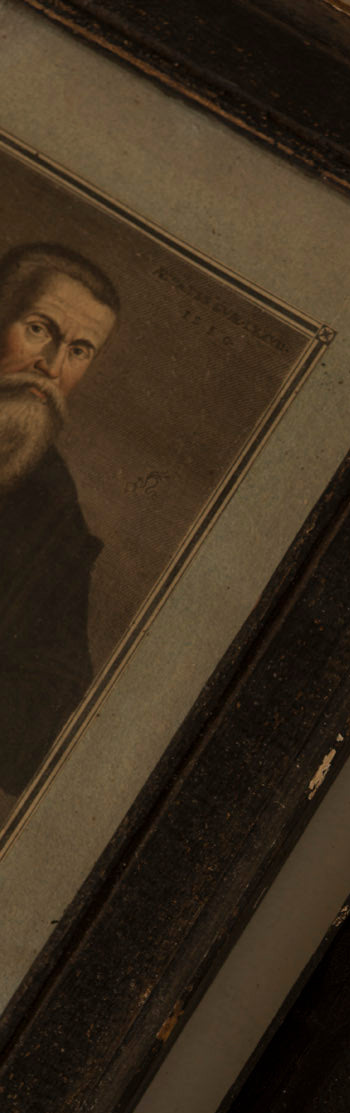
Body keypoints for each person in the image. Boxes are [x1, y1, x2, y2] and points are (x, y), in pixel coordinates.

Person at [0, 242, 119, 797]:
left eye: (79, 350)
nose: (51, 366)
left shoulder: (51, 505)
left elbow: (45, 701)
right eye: (38, 330)